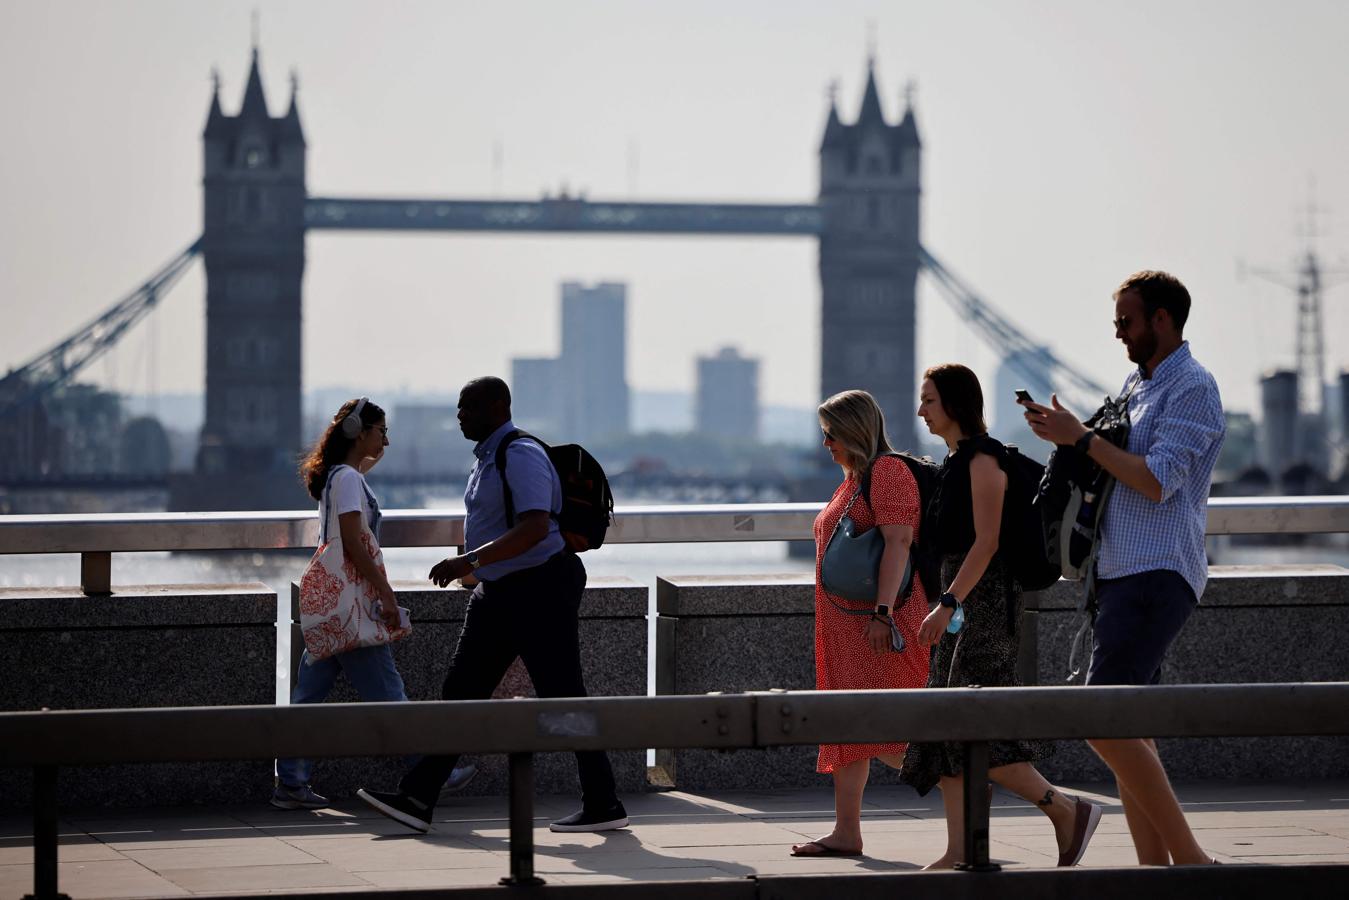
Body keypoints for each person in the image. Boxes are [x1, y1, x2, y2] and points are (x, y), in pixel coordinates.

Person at [357, 376, 627, 834]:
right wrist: (478, 573)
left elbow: (536, 527)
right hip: (500, 594)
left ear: (497, 407)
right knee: (460, 692)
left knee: (564, 697)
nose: (460, 415)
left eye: (468, 407)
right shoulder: (488, 459)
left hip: (540, 590)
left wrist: (470, 559)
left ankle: (603, 801)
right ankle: (418, 797)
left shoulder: (518, 454)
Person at [1022, 271, 1224, 866]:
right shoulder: (1139, 382)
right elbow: (1113, 464)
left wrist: (1082, 440)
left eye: (1126, 321)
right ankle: (1154, 871)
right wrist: (1068, 438)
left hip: (1158, 571)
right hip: (1120, 573)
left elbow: (1158, 480)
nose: (1117, 333)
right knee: (1132, 726)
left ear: (1163, 319)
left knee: (1103, 716)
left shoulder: (1193, 387)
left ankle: (1190, 863)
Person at [900, 365, 1101, 869]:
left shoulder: (983, 461)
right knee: (948, 728)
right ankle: (961, 848)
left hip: (982, 606)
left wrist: (947, 604)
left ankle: (1066, 810)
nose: (921, 409)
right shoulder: (951, 462)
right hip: (962, 600)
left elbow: (986, 543)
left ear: (954, 403)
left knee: (979, 728)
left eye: (928, 400)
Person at [274, 398, 475, 810]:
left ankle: (290, 783)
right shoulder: (347, 480)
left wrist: (365, 457)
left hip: (334, 606)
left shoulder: (338, 476)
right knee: (388, 693)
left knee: (308, 698)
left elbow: (344, 521)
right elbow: (352, 541)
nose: (387, 439)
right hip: (353, 605)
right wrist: (384, 592)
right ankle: (430, 774)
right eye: (381, 430)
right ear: (358, 432)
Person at [789, 390, 931, 857]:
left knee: (884, 727)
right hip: (844, 628)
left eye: (830, 433)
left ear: (854, 431)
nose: (824, 442)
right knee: (851, 729)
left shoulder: (887, 472)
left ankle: (969, 778)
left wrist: (882, 614)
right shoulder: (851, 482)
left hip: (876, 627)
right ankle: (846, 832)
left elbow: (899, 544)